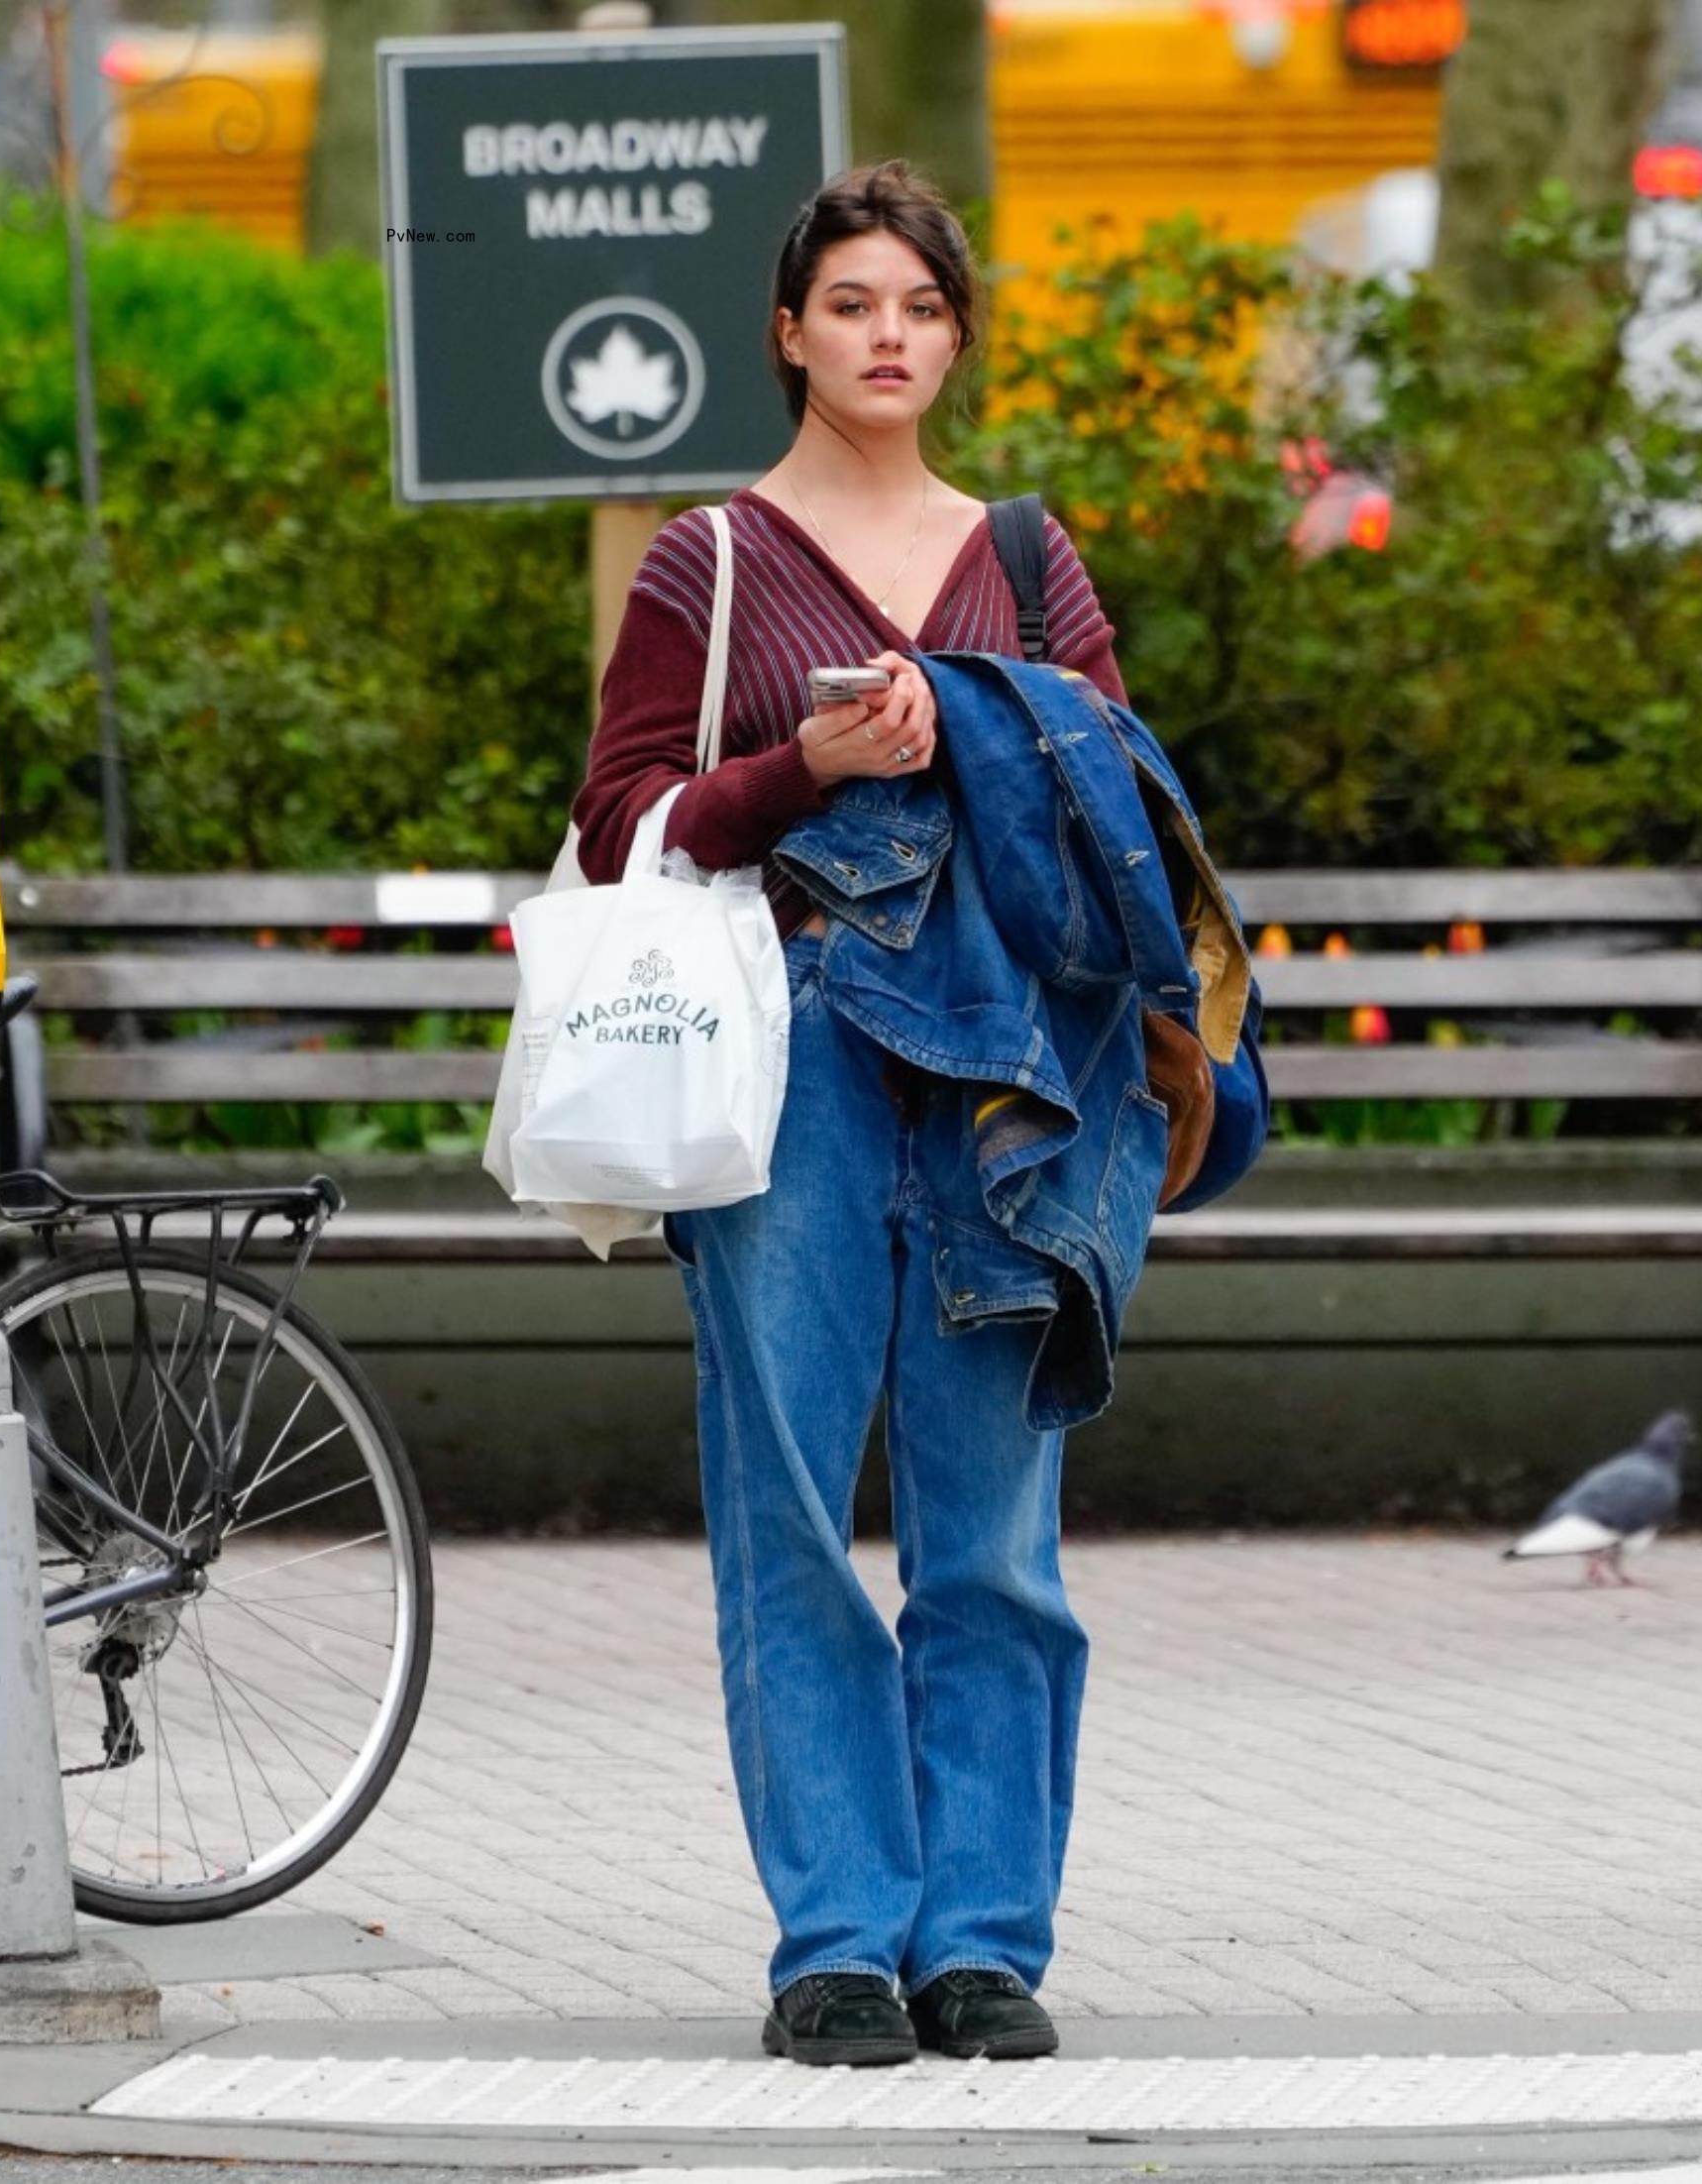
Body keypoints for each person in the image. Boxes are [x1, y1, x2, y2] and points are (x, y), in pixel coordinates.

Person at [572, 161, 1130, 2071]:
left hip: (1004, 1093)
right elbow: (620, 828)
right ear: (788, 332)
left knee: (992, 1536)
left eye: (919, 305)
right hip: (785, 1072)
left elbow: (1112, 818)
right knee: (793, 1513)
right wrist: (797, 771)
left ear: (956, 335)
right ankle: (833, 1937)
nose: (887, 335)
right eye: (850, 304)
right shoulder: (705, 563)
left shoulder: (1032, 560)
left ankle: (981, 1938)